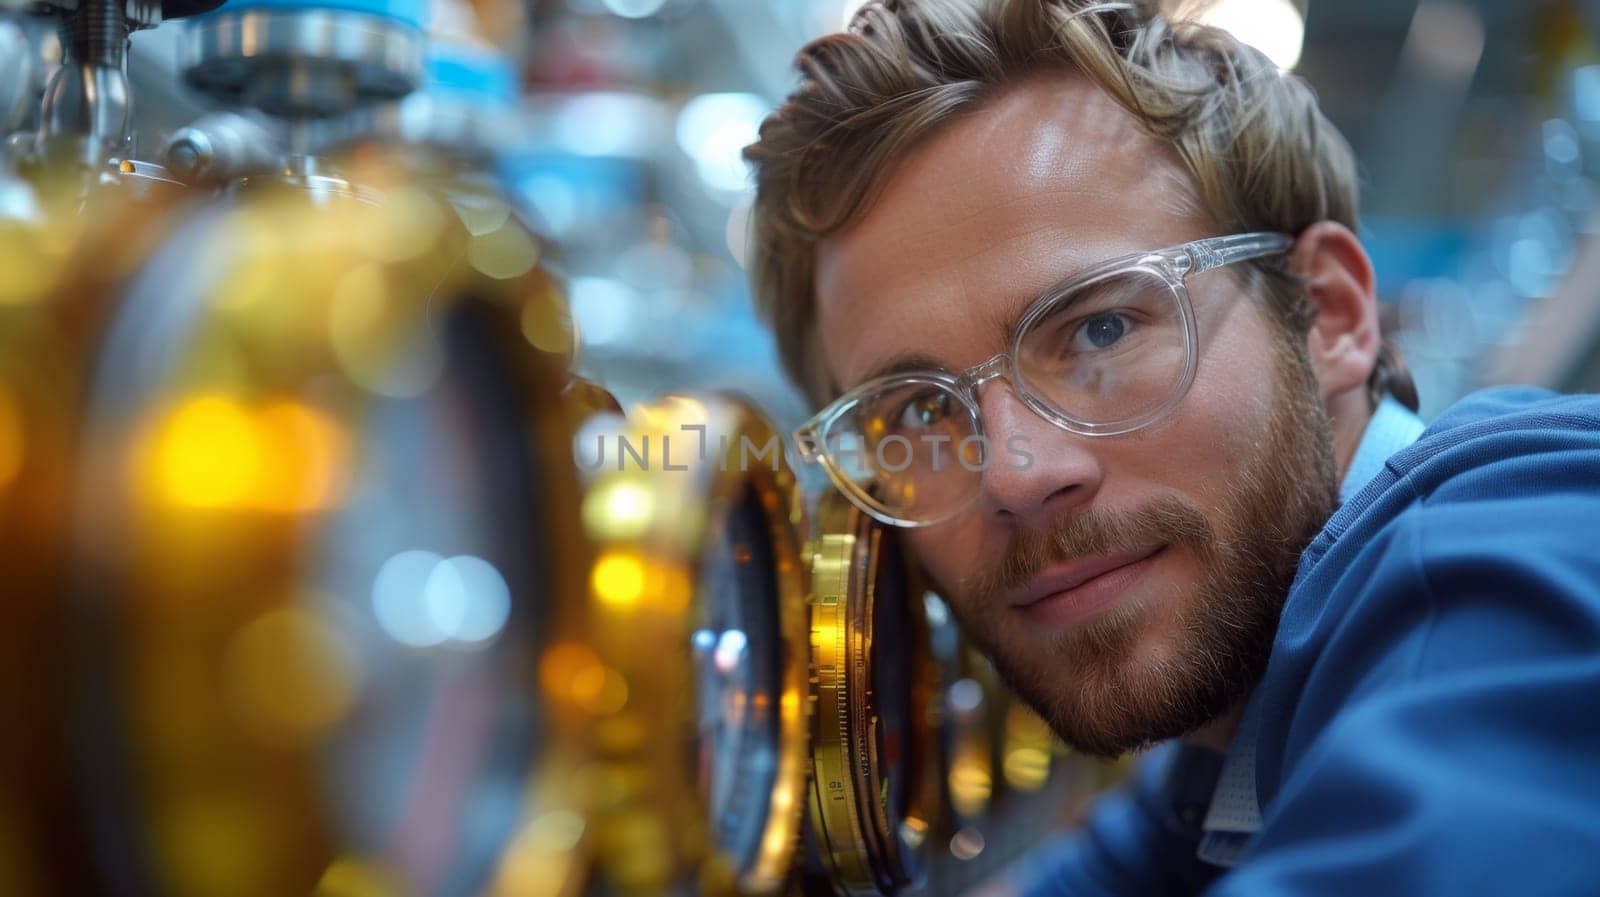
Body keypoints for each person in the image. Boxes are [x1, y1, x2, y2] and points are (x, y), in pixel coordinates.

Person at [741, 1, 1600, 894]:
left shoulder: (1511, 572)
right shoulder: (1234, 740)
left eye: (1101, 330)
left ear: (1330, 314)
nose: (1015, 474)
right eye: (919, 413)